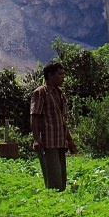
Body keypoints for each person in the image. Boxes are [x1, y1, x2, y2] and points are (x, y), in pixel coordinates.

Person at [30, 61, 76, 191]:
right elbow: (34, 116)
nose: (63, 77)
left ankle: (60, 205)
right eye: (60, 74)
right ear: (50, 75)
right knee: (54, 181)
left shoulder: (60, 93)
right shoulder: (40, 93)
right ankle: (52, 205)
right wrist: (36, 139)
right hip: (47, 142)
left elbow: (62, 120)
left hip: (60, 141)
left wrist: (70, 140)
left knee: (62, 180)